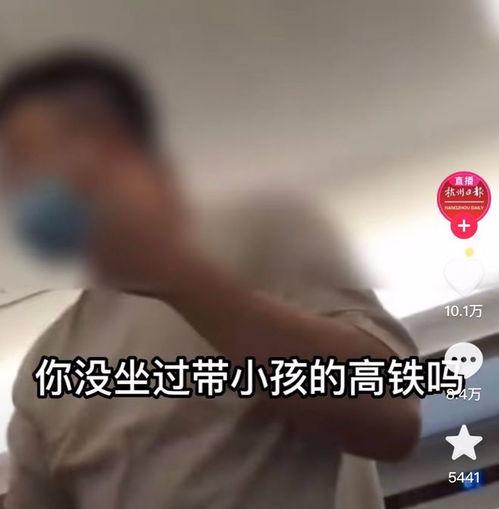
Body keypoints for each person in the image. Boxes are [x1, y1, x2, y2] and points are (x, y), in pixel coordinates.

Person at [0, 50, 421, 509]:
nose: (32, 184)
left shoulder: (267, 239)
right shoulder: (46, 367)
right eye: (18, 166)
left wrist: (182, 281)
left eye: (46, 153)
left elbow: (392, 418)